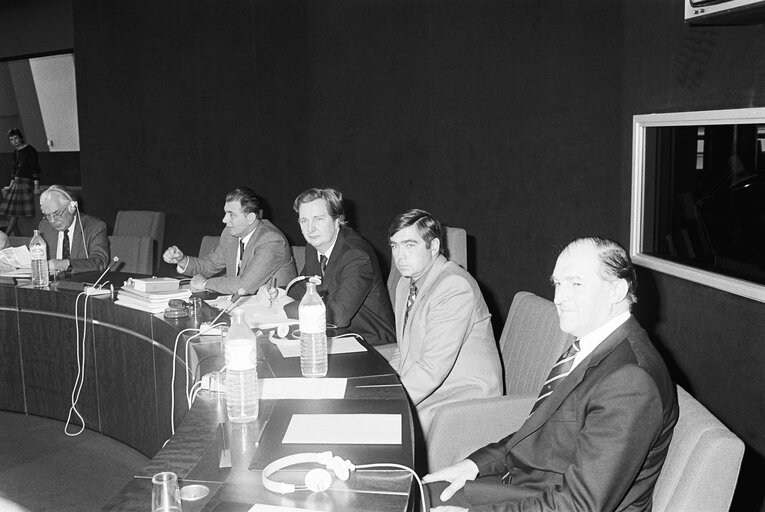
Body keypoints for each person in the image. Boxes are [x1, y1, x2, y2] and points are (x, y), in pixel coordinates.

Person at [423, 237, 678, 512]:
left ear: (617, 290)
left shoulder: (630, 380)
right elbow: (542, 432)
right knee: (410, 494)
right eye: (557, 283)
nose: (559, 298)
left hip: (556, 502)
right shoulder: (592, 344)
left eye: (576, 284)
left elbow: (580, 506)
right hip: (533, 491)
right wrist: (475, 465)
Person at [388, 209, 502, 439]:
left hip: (463, 400)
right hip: (433, 389)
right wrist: (381, 386)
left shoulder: (454, 287)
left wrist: (387, 402)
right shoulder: (404, 284)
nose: (399, 255)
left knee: (385, 429)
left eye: (409, 245)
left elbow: (432, 369)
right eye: (394, 246)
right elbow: (404, 350)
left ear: (433, 246)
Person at [279, 187, 395, 345]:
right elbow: (303, 289)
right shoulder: (313, 248)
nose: (310, 228)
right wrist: (277, 293)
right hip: (336, 336)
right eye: (304, 220)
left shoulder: (355, 255)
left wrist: (285, 307)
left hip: (371, 344)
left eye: (318, 219)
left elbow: (338, 315)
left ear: (336, 221)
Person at [163, 186, 296, 295]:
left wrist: (205, 284)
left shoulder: (271, 240)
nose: (224, 220)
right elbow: (208, 265)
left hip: (274, 309)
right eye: (225, 213)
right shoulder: (230, 235)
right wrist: (182, 260)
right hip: (242, 304)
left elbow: (244, 285)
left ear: (250, 218)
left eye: (231, 215)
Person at [39, 185, 110, 274]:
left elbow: (100, 262)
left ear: (71, 208)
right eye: (47, 215)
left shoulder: (94, 227)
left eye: (57, 213)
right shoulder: (44, 226)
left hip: (81, 284)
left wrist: (65, 264)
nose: (52, 221)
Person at [1, 129, 41, 235]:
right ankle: (11, 234)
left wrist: (36, 186)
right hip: (16, 183)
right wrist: (10, 186)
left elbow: (35, 168)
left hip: (26, 182)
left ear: (21, 138)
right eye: (11, 139)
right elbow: (15, 170)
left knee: (13, 211)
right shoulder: (15, 152)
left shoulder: (30, 150)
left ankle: (7, 234)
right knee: (8, 210)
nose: (14, 141)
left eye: (16, 138)